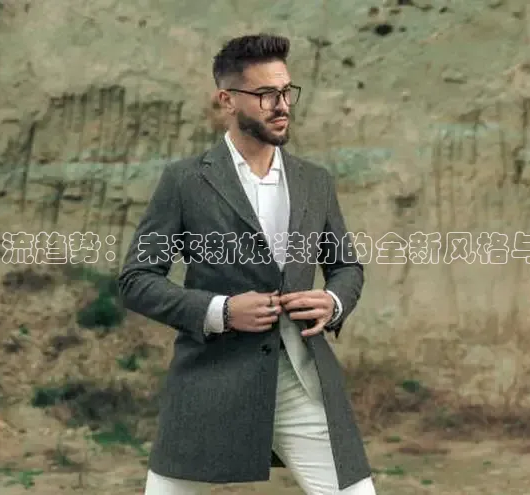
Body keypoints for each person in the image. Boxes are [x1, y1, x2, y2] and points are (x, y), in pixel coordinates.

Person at [117, 33, 376, 495]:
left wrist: (333, 302)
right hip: (212, 383)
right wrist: (220, 310)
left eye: (286, 92)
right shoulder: (185, 181)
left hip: (302, 380)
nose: (282, 105)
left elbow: (347, 267)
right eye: (266, 94)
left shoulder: (315, 181)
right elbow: (137, 279)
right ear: (227, 100)